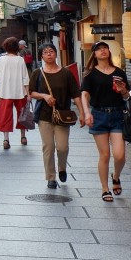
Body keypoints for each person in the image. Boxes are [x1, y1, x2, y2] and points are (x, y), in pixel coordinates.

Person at [29, 42, 85, 189]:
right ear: (41, 56)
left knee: (62, 147)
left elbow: (76, 94)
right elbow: (31, 93)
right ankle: (51, 177)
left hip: (62, 115)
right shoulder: (37, 73)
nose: (49, 54)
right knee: (48, 147)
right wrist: (44, 96)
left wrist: (82, 113)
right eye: (45, 52)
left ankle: (62, 168)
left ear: (56, 54)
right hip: (44, 115)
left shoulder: (66, 73)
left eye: (51, 51)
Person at [80, 41, 130, 202]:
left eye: (105, 48)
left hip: (117, 114)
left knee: (120, 155)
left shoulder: (119, 72)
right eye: (99, 49)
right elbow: (84, 95)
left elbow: (127, 96)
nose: (103, 51)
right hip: (99, 115)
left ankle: (116, 176)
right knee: (105, 154)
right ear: (94, 54)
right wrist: (87, 113)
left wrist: (122, 90)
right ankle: (105, 188)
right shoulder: (90, 74)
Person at [0, 37, 29, 150]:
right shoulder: (20, 59)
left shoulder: (1, 59)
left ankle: (6, 139)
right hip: (20, 91)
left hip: (5, 91)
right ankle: (23, 137)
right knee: (22, 114)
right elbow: (25, 78)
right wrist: (28, 93)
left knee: (5, 116)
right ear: (16, 47)